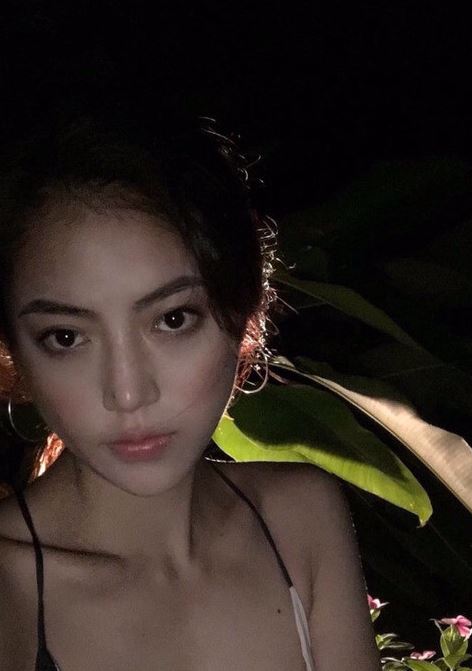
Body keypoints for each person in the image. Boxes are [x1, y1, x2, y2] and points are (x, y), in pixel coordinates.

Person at [0, 104, 380, 670]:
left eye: (172, 319)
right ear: (14, 349)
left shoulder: (301, 520)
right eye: (66, 337)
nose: (128, 394)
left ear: (244, 309)